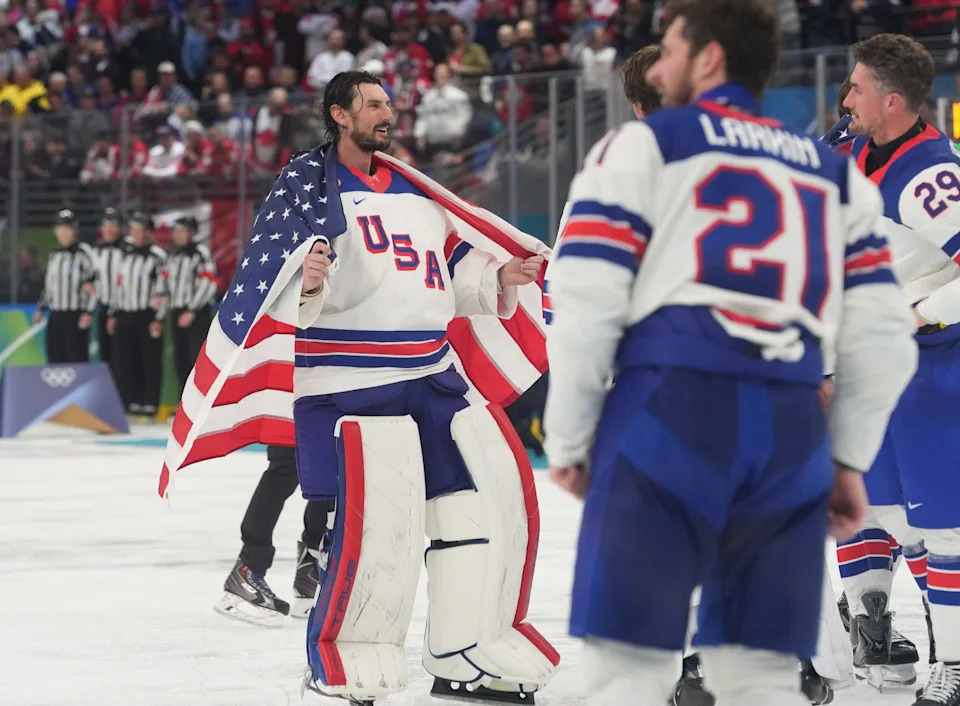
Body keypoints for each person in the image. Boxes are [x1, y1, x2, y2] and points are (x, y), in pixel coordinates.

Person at [543, 2, 918, 705]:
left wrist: (569, 436)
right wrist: (844, 458)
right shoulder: (830, 170)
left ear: (708, 57)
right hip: (788, 426)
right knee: (763, 679)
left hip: (668, 409)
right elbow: (886, 336)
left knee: (627, 670)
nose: (662, 62)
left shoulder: (643, 147)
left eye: (673, 46)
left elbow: (584, 304)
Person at [840, 33, 960, 705]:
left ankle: (956, 663)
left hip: (930, 369)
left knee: (943, 524)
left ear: (891, 101)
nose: (845, 97)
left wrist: (922, 311)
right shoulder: (854, 149)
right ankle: (880, 626)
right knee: (883, 511)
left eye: (856, 88)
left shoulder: (929, 177)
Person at [215, 446, 333, 626]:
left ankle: (311, 572)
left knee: (329, 467)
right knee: (287, 464)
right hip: (292, 418)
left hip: (313, 417)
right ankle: (248, 568)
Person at [109, 212, 167, 418]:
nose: (134, 233)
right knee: (125, 360)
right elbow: (119, 287)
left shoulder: (157, 256)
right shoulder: (126, 255)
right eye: (132, 229)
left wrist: (158, 318)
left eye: (138, 230)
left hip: (146, 315)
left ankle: (149, 402)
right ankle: (129, 401)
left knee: (149, 360)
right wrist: (113, 313)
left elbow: (163, 289)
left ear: (149, 232)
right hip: (125, 313)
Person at [33, 208, 97, 363]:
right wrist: (41, 308)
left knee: (76, 359)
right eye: (60, 228)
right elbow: (49, 286)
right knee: (55, 358)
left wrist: (88, 312)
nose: (64, 233)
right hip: (56, 314)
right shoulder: (55, 255)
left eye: (67, 228)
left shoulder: (84, 253)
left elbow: (95, 284)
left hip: (75, 314)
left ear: (75, 230)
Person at [165, 216, 217, 394]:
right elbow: (167, 282)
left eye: (182, 230)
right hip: (176, 310)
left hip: (196, 312)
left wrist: (192, 310)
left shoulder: (200, 253)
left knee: (197, 358)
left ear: (192, 233)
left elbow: (209, 283)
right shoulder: (173, 255)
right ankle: (184, 402)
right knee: (180, 359)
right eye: (176, 231)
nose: (177, 235)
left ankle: (200, 402)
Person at [92, 207, 125, 370]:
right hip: (103, 308)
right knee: (104, 357)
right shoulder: (96, 250)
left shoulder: (128, 250)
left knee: (121, 357)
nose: (109, 229)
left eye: (113, 225)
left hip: (123, 310)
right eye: (106, 225)